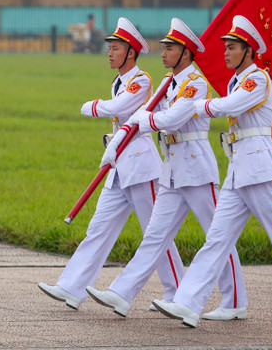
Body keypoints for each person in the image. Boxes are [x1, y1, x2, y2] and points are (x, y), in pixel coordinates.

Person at [153, 15, 272, 330]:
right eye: (226, 48)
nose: (226, 53)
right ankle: (189, 303)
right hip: (238, 171)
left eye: (232, 48)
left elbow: (229, 106)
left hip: (259, 169)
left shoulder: (256, 79)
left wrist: (197, 106)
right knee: (216, 239)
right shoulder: (237, 80)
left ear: (248, 51)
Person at [88, 18, 247, 321]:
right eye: (163, 47)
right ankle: (122, 294)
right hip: (172, 167)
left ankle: (235, 299)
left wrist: (139, 120)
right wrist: (123, 135)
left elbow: (170, 119)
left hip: (196, 165)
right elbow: (145, 114)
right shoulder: (166, 83)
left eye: (170, 48)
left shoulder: (195, 83)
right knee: (155, 236)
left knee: (217, 235)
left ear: (186, 53)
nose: (163, 53)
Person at [38, 18, 183, 312]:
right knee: (99, 227)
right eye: (110, 48)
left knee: (155, 231)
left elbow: (116, 109)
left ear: (130, 52)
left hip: (141, 166)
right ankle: (72, 287)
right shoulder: (119, 81)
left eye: (115, 48)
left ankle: (177, 291)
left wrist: (91, 106)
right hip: (119, 164)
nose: (110, 53)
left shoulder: (141, 81)